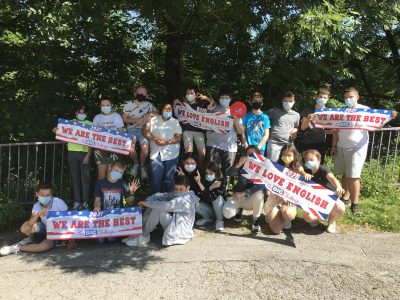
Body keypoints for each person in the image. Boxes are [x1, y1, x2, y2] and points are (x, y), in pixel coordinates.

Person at [331, 87, 397, 213]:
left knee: (354, 175)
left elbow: (376, 124)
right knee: (345, 173)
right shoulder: (342, 112)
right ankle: (345, 198)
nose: (348, 99)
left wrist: (389, 117)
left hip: (357, 147)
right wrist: (333, 146)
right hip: (341, 146)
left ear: (357, 97)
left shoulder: (365, 110)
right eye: (346, 98)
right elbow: (336, 130)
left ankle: (355, 205)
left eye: (350, 97)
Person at [0, 183, 76, 256]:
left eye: (48, 195)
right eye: (42, 195)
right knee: (25, 227)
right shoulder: (36, 206)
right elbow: (29, 224)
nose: (45, 197)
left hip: (57, 232)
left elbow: (68, 221)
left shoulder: (59, 202)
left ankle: (16, 248)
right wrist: (38, 214)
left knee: (45, 246)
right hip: (43, 230)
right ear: (37, 194)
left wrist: (71, 240)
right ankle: (32, 239)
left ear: (51, 194)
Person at [123, 175, 200, 247]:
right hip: (175, 225)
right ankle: (139, 233)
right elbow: (160, 195)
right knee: (152, 204)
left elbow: (167, 205)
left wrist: (147, 203)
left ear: (188, 188)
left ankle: (144, 237)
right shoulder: (179, 194)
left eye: (181, 189)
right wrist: (147, 200)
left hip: (181, 232)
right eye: (176, 189)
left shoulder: (187, 200)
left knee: (158, 208)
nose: (178, 191)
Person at [264, 144, 311, 233]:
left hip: (289, 198)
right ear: (281, 155)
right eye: (284, 155)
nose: (286, 157)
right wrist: (282, 198)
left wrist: (306, 175)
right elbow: (272, 185)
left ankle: (285, 217)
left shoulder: (297, 167)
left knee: (289, 215)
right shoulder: (276, 167)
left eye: (289, 155)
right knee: (276, 231)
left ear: (294, 156)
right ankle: (272, 215)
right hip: (275, 197)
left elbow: (303, 172)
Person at [53, 105, 93, 210]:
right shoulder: (69, 123)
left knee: (85, 179)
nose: (81, 114)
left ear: (86, 114)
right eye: (79, 112)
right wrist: (57, 132)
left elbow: (93, 141)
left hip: (84, 154)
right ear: (76, 113)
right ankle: (77, 202)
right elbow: (64, 139)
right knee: (75, 179)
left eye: (83, 112)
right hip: (72, 153)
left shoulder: (90, 124)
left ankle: (85, 202)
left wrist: (88, 155)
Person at [93, 161, 140, 244]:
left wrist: (132, 193)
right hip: (103, 218)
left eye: (121, 172)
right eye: (116, 171)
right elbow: (97, 200)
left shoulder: (123, 184)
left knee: (111, 240)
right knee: (100, 241)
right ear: (110, 168)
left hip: (117, 219)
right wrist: (97, 206)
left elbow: (130, 203)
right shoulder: (100, 183)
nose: (118, 173)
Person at [222, 146, 266, 233]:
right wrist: (239, 163)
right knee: (227, 213)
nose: (251, 156)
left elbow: (261, 186)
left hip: (251, 198)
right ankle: (239, 210)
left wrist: (244, 193)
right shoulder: (242, 165)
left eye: (253, 154)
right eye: (249, 154)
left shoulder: (262, 168)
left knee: (260, 194)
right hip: (238, 197)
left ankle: (255, 219)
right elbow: (227, 173)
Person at [302, 149, 346, 233]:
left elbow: (332, 178)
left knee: (340, 207)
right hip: (315, 201)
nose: (308, 162)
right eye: (307, 160)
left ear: (319, 160)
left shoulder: (323, 169)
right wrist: (304, 175)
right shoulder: (306, 171)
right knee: (308, 218)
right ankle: (315, 220)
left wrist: (338, 186)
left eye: (311, 160)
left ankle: (331, 221)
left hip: (330, 199)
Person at [143, 103, 182, 194]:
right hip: (156, 153)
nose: (167, 111)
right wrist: (155, 139)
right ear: (162, 110)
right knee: (156, 178)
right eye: (165, 109)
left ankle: (169, 201)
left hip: (171, 153)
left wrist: (168, 142)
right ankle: (155, 201)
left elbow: (178, 138)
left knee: (169, 178)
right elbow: (145, 132)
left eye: (170, 109)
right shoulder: (153, 119)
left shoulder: (175, 122)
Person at [205, 90, 244, 176]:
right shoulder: (213, 108)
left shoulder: (236, 111)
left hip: (229, 146)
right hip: (213, 144)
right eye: (222, 98)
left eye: (226, 98)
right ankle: (209, 189)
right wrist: (208, 111)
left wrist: (236, 121)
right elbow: (204, 122)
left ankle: (222, 189)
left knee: (227, 173)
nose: (224, 99)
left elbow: (240, 131)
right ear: (219, 99)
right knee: (211, 172)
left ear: (230, 99)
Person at [122, 86, 157, 179]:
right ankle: (136, 164)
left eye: (143, 94)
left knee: (145, 148)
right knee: (130, 148)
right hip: (131, 130)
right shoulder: (128, 104)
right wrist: (135, 120)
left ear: (147, 95)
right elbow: (124, 119)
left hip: (143, 130)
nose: (141, 95)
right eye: (139, 93)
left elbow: (158, 113)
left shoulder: (149, 104)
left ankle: (142, 167)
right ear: (135, 93)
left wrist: (150, 114)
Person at [173, 87, 212, 167]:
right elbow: (175, 113)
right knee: (188, 152)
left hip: (199, 131)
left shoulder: (201, 105)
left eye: (191, 93)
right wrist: (175, 102)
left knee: (202, 153)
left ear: (195, 94)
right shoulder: (183, 105)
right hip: (186, 130)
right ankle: (188, 170)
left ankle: (200, 170)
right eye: (187, 93)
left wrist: (206, 98)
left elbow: (214, 107)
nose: (189, 95)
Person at [93, 95, 125, 180]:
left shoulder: (117, 116)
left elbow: (121, 132)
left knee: (111, 176)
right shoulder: (97, 117)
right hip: (100, 149)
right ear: (100, 106)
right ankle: (99, 193)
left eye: (107, 105)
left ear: (111, 105)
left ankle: (110, 193)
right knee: (101, 176)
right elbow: (93, 133)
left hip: (114, 148)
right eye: (103, 105)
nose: (105, 107)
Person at [299, 88, 331, 164]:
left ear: (327, 99)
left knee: (318, 167)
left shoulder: (329, 112)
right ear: (316, 97)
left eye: (324, 98)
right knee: (306, 166)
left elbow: (331, 130)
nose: (322, 99)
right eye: (320, 97)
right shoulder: (307, 110)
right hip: (307, 143)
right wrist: (309, 119)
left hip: (320, 143)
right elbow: (303, 127)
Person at [266, 92, 300, 162]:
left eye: (290, 101)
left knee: (287, 165)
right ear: (282, 101)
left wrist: (296, 129)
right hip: (274, 143)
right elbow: (261, 115)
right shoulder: (275, 111)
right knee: (272, 165)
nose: (288, 103)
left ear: (294, 102)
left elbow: (297, 127)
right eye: (286, 101)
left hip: (288, 145)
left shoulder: (297, 115)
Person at [193, 162, 227, 231]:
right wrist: (199, 182)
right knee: (195, 203)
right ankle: (208, 218)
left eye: (211, 173)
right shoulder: (205, 181)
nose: (208, 175)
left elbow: (212, 197)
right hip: (211, 210)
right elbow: (206, 196)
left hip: (221, 210)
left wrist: (210, 188)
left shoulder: (221, 182)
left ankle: (219, 221)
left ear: (216, 173)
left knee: (217, 198)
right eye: (207, 173)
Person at [241, 92, 271, 156]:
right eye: (255, 100)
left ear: (262, 103)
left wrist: (258, 147)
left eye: (258, 101)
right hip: (248, 147)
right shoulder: (246, 116)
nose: (256, 102)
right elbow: (242, 132)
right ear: (251, 102)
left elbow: (266, 134)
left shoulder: (265, 117)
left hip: (260, 148)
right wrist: (246, 145)